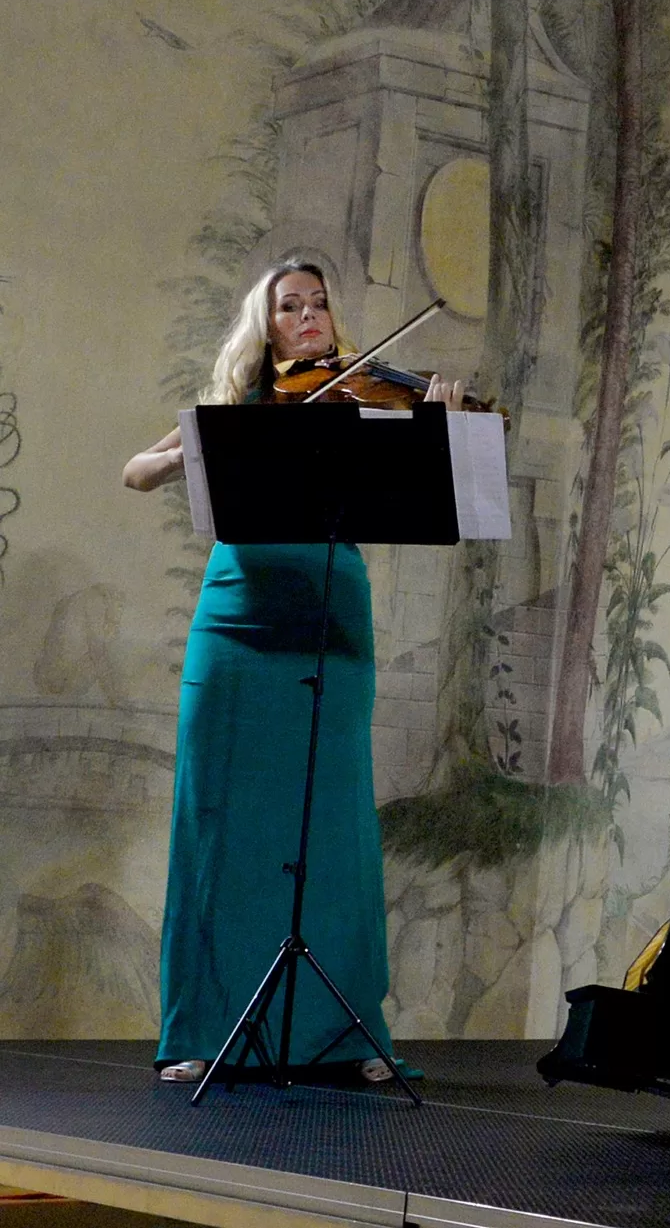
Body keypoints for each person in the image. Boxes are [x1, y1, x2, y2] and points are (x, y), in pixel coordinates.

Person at [123, 258, 457, 1084]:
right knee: (218, 820)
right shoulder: (239, 412)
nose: (308, 316)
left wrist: (436, 429)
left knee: (332, 821)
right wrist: (191, 452)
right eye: (289, 306)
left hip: (328, 619)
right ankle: (203, 1028)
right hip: (236, 623)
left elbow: (428, 484)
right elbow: (136, 470)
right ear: (265, 326)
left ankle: (344, 1031)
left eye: (319, 303)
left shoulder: (363, 406)